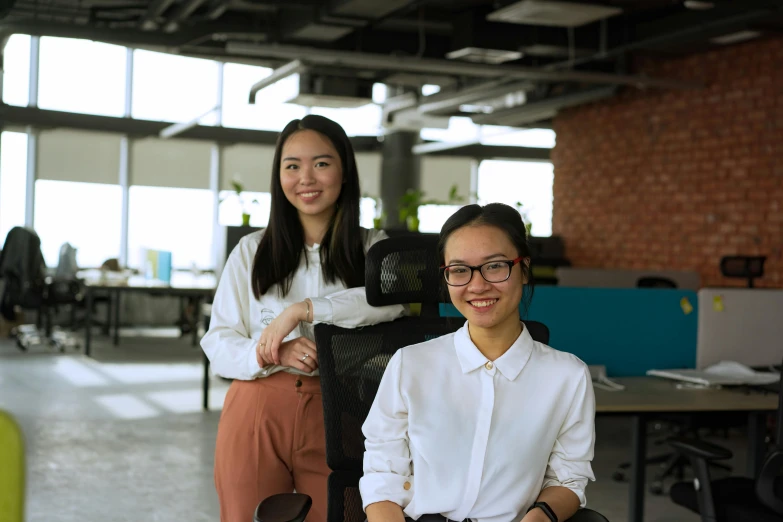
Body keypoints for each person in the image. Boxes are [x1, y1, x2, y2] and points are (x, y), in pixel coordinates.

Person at [201, 115, 406, 522]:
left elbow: (389, 303)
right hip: (257, 409)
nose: (306, 178)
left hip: (343, 409)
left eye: (322, 163)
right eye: (292, 165)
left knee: (339, 514)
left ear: (344, 171)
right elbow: (219, 341)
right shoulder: (251, 251)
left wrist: (305, 310)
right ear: (279, 176)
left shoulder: (373, 248)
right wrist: (270, 351)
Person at [360, 203, 595, 522]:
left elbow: (568, 479)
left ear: (523, 268)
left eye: (495, 266)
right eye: (459, 270)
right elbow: (381, 478)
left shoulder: (568, 377)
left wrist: (537, 518)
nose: (478, 285)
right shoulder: (410, 365)